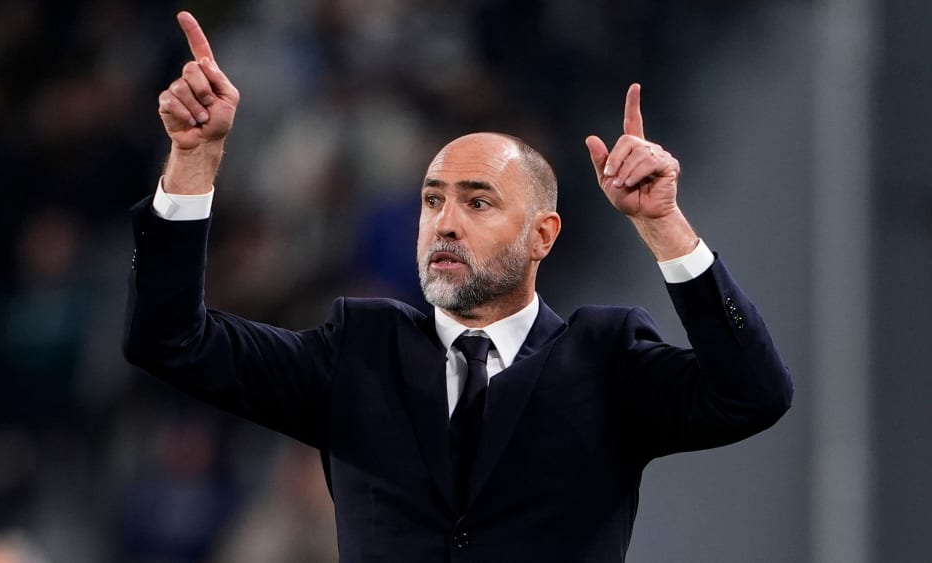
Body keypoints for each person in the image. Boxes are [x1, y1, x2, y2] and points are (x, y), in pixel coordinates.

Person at [124, 11, 793, 562]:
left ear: (542, 235)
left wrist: (663, 225)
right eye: (432, 200)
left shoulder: (604, 358)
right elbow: (170, 340)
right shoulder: (359, 351)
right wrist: (193, 161)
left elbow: (753, 393)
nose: (445, 223)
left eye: (477, 202)